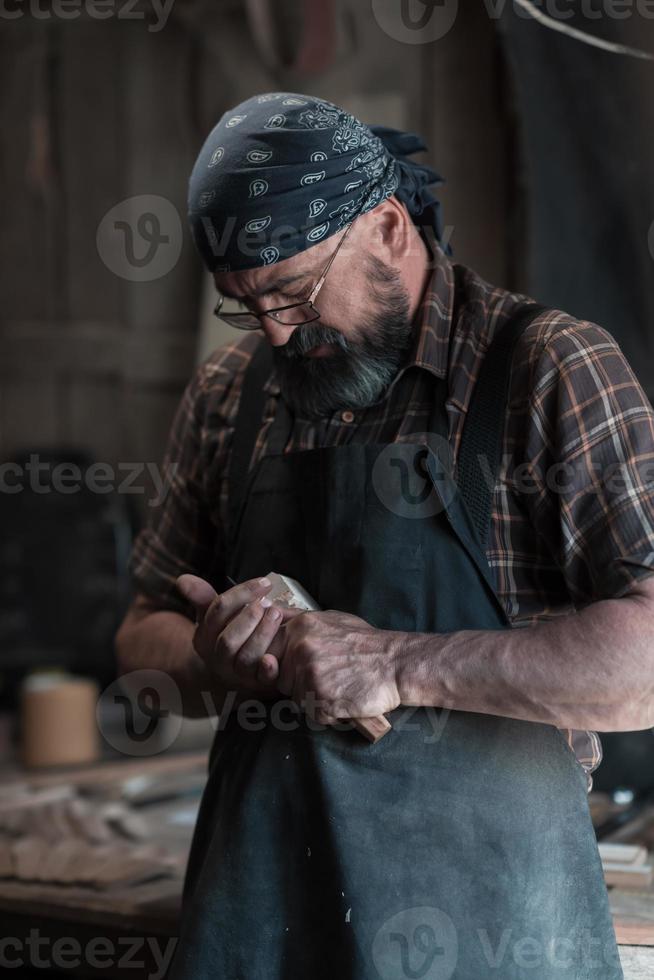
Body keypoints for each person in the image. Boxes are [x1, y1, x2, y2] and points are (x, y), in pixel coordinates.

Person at [116, 92, 654, 979]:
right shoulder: (229, 395)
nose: (280, 334)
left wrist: (398, 665)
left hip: (491, 926)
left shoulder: (547, 368)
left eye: (293, 292)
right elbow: (139, 632)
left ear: (391, 229)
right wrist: (213, 656)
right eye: (248, 309)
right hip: (266, 916)